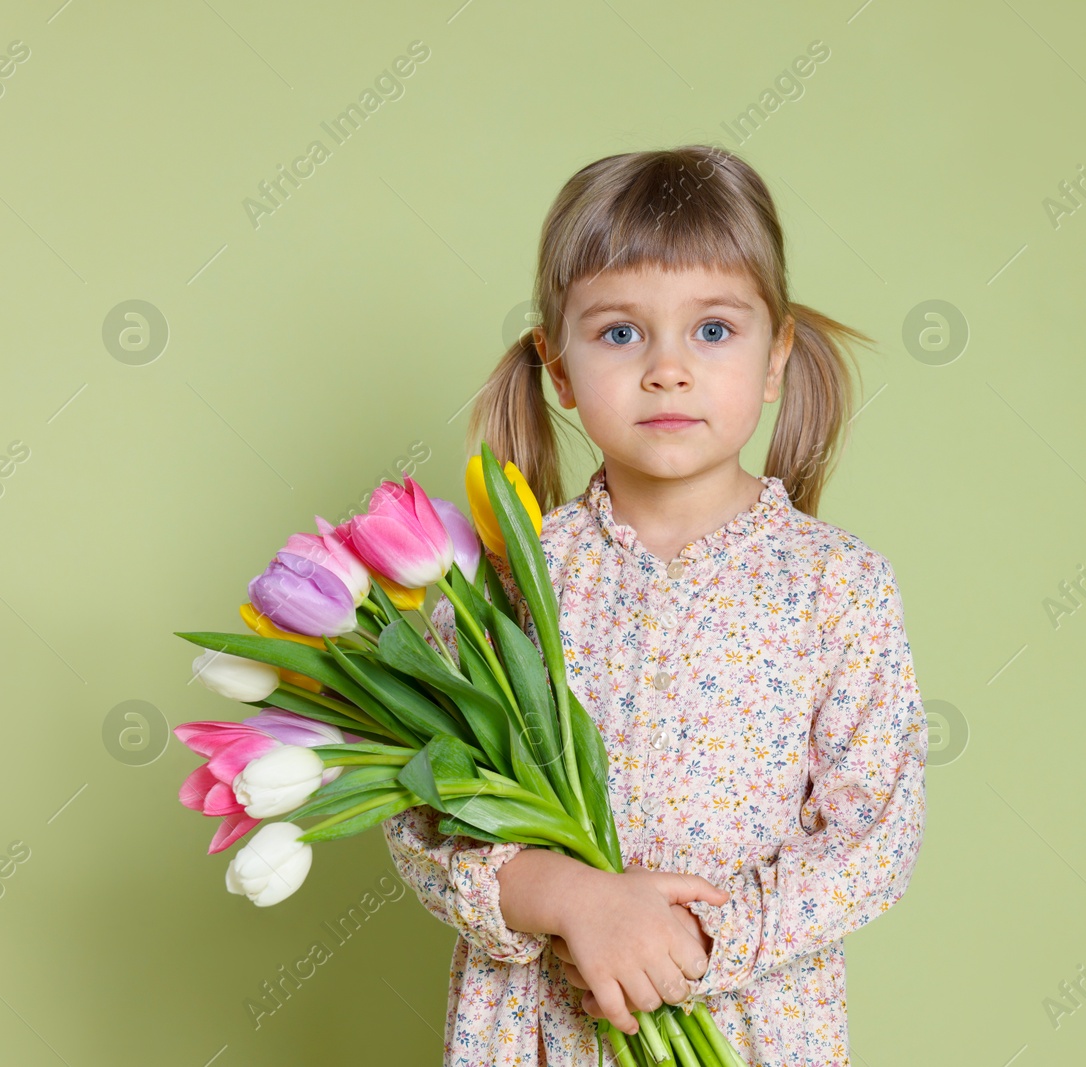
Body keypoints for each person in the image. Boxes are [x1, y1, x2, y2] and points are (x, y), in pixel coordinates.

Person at [383, 144, 927, 1067]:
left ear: (774, 356)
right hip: (536, 1032)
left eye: (712, 330)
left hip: (751, 1024)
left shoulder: (837, 586)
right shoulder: (509, 581)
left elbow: (877, 834)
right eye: (620, 333)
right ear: (558, 368)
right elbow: (421, 818)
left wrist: (699, 943)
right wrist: (565, 897)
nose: (667, 368)